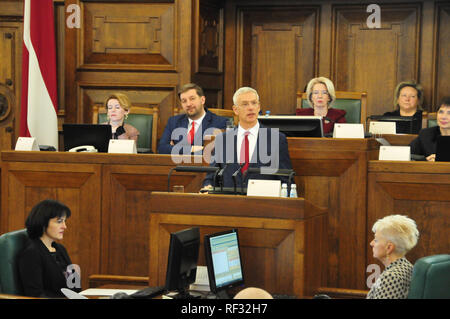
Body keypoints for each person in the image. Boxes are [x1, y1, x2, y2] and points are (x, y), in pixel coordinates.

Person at [202, 87, 292, 190]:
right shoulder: (222, 140)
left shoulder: (276, 139)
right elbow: (211, 177)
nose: (251, 108)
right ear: (235, 110)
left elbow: (286, 179)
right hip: (230, 202)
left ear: (259, 107)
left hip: (263, 202)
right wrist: (208, 185)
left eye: (254, 103)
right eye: (245, 104)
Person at [18, 199, 79, 298]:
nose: (65, 226)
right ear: (43, 223)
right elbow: (36, 294)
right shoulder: (31, 253)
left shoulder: (60, 249)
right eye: (59, 221)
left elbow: (75, 286)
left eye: (64, 221)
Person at [157, 83, 228, 155]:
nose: (188, 104)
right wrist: (191, 149)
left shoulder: (220, 123)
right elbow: (162, 149)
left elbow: (216, 152)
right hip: (177, 165)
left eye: (192, 99)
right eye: (184, 101)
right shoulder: (173, 122)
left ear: (202, 100)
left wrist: (175, 148)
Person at [367, 214, 419, 299]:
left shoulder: (391, 277)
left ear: (389, 248)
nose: (371, 243)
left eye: (376, 240)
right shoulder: (406, 266)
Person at [409, 96, 450, 161]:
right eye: (441, 112)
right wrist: (425, 160)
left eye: (449, 113)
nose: (443, 117)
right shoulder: (426, 134)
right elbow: (409, 155)